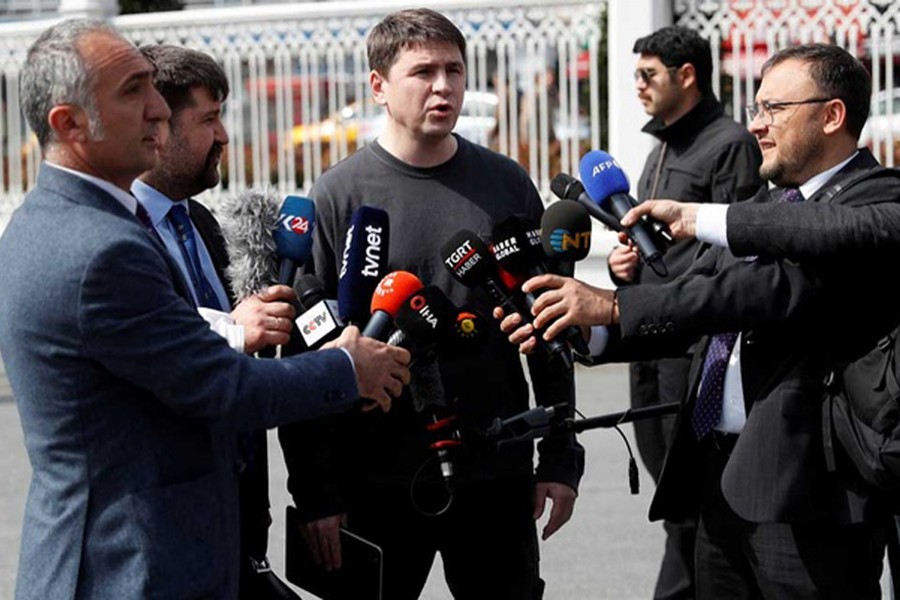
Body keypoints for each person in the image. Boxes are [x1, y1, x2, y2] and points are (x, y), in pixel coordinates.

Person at [0, 19, 410, 599]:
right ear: (68, 124)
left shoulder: (45, 221)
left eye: (152, 87)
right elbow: (223, 388)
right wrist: (349, 367)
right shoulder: (103, 250)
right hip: (133, 568)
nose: (157, 111)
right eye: (132, 92)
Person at [499, 43, 900, 597]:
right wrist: (584, 324)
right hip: (719, 483)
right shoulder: (769, 203)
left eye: (773, 110)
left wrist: (624, 295)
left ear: (831, 115)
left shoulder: (872, 200)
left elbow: (758, 291)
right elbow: (696, 298)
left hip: (810, 496)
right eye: (756, 109)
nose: (757, 126)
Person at [279, 8, 584, 600]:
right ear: (378, 86)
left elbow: (547, 326)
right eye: (423, 72)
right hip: (373, 479)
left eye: (454, 70)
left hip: (495, 469)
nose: (443, 87)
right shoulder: (338, 195)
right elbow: (304, 359)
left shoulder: (505, 183)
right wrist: (317, 494)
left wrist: (560, 457)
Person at [132, 44, 299, 598]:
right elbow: (151, 345)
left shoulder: (199, 220)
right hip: (166, 533)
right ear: (158, 126)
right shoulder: (117, 235)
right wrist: (233, 328)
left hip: (239, 518)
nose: (224, 136)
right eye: (208, 119)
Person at [608, 26, 762, 600]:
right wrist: (627, 263)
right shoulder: (661, 147)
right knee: (669, 488)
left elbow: (733, 252)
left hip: (693, 345)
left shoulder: (729, 145)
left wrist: (666, 289)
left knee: (691, 498)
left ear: (687, 75)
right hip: (648, 336)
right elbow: (657, 243)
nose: (639, 89)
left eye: (648, 76)